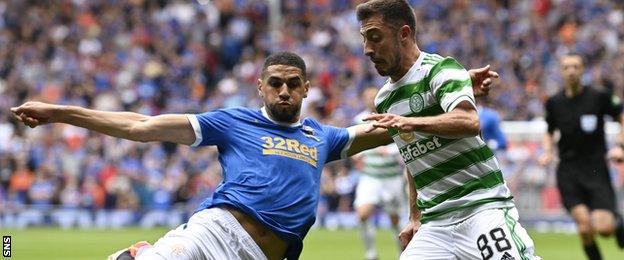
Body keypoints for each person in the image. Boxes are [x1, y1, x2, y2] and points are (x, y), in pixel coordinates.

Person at [11, 51, 496, 260]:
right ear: (260, 86)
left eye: (292, 84)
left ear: (306, 89)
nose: (284, 91)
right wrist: (58, 112)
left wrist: (447, 87)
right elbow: (140, 125)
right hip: (215, 233)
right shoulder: (232, 122)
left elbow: (388, 127)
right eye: (275, 83)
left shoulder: (322, 136)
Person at [354, 1, 539, 259]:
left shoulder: (441, 70)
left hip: (480, 208)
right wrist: (414, 216)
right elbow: (413, 157)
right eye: (364, 39)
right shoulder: (385, 98)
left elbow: (469, 122)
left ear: (404, 34)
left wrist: (410, 122)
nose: (367, 49)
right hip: (435, 224)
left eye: (375, 38)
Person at [539, 53, 624, 260]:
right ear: (561, 71)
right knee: (585, 227)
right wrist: (548, 152)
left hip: (596, 169)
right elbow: (549, 131)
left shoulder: (600, 96)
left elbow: (621, 118)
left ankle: (619, 224)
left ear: (583, 69)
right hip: (568, 171)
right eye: (567, 67)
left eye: (576, 66)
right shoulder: (554, 102)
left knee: (604, 228)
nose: (571, 71)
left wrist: (620, 146)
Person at [353, 86, 406, 260]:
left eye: (373, 96)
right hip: (370, 176)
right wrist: (356, 154)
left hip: (391, 177)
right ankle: (371, 254)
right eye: (367, 96)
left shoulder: (391, 117)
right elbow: (354, 143)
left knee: (396, 221)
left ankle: (402, 254)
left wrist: (389, 151)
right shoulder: (358, 119)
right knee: (362, 214)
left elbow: (405, 142)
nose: (370, 99)